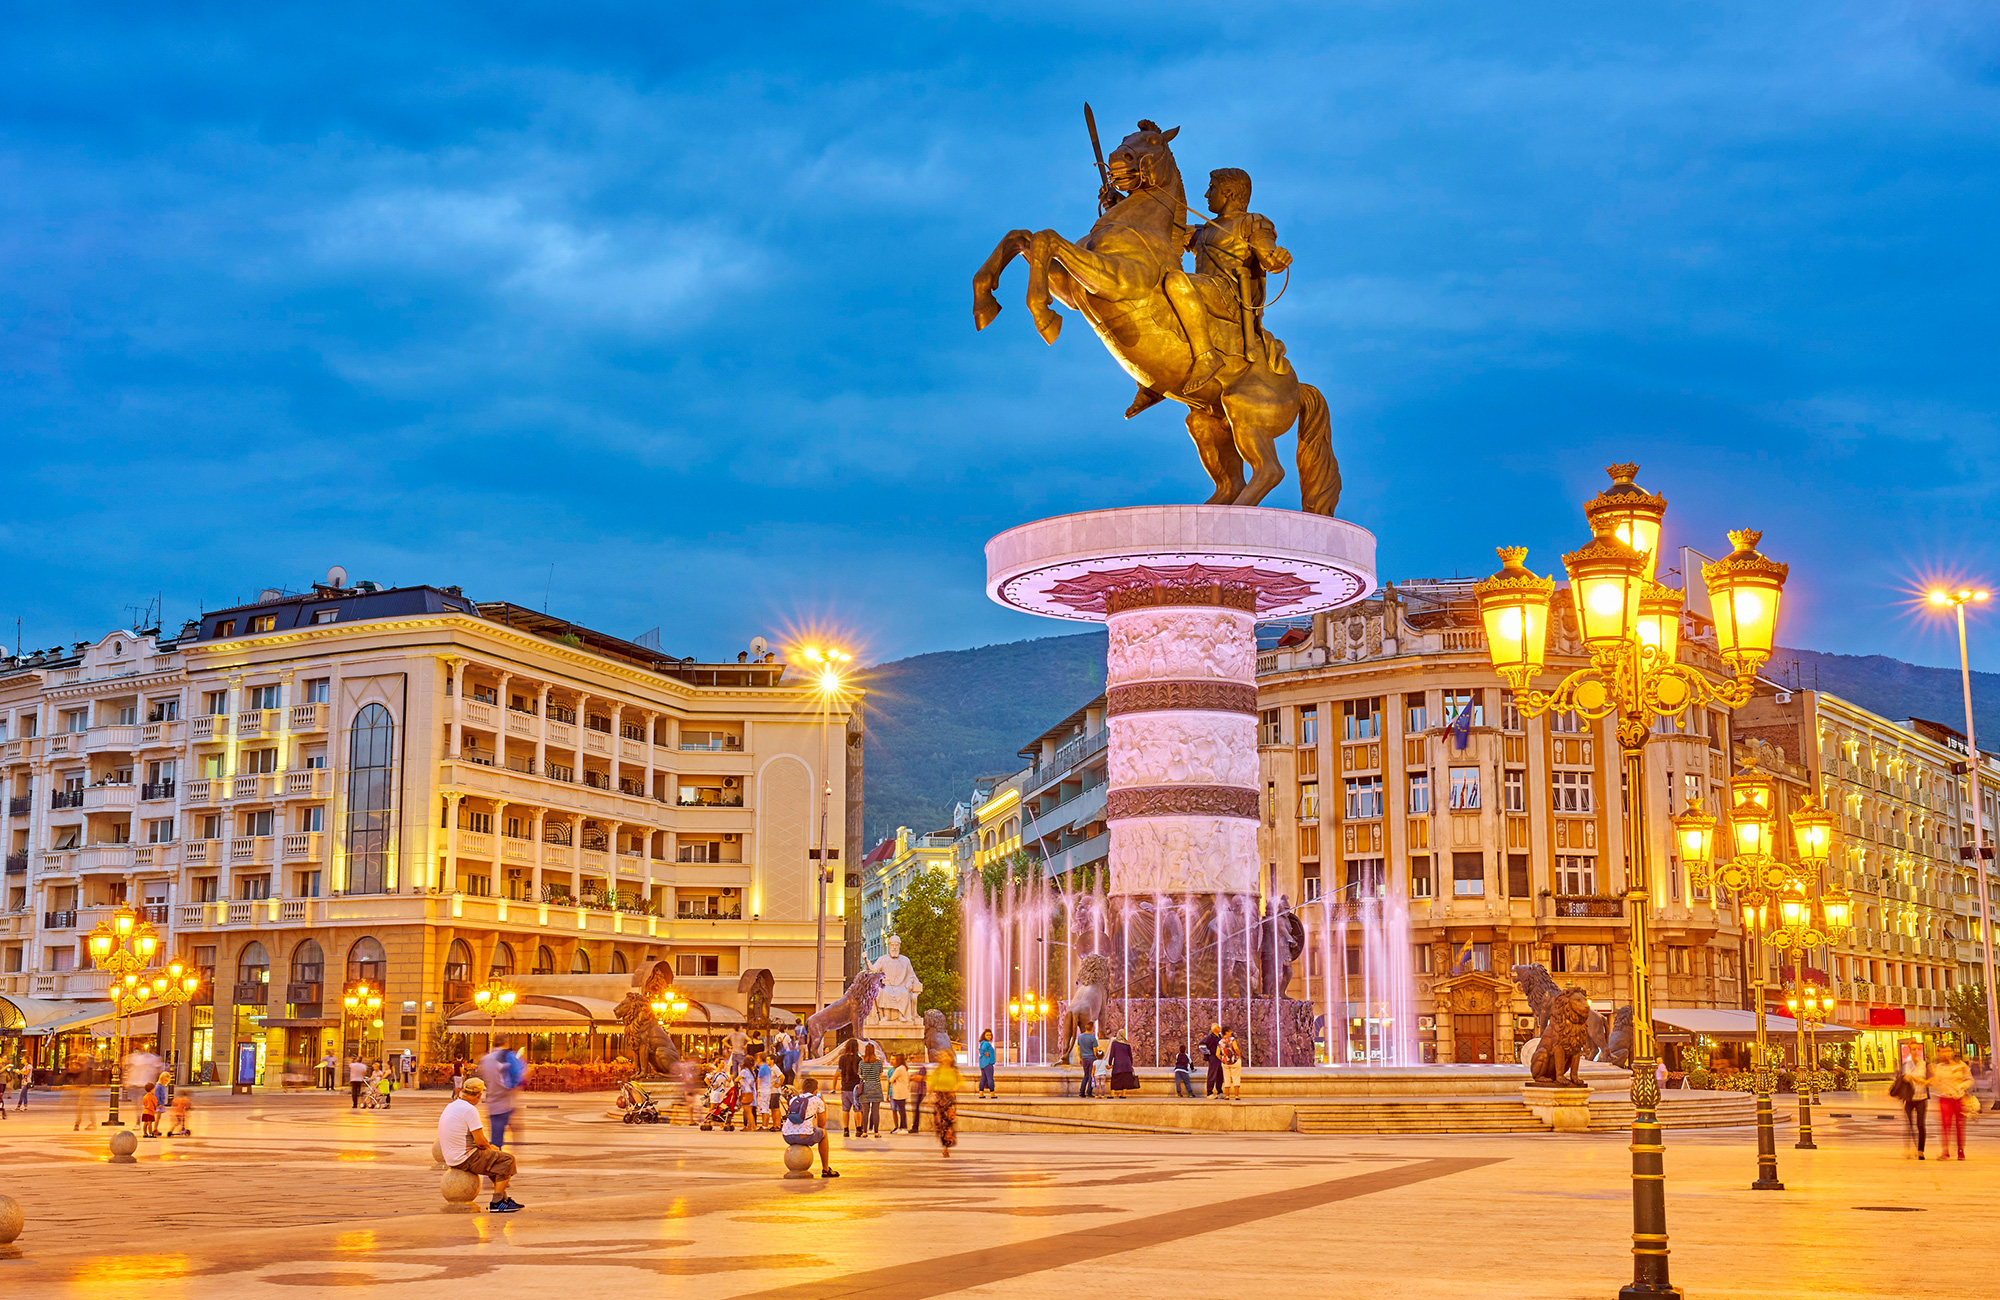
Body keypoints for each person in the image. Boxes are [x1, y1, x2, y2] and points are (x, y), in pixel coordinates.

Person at [440, 1076, 522, 1213]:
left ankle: (503, 1198)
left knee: (495, 1159)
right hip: (465, 1158)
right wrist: (491, 1148)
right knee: (507, 1160)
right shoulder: (469, 1109)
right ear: (478, 1095)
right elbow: (481, 1142)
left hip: (451, 1157)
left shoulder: (452, 1105)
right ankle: (498, 1202)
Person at [780, 1074, 838, 1178]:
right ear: (816, 1091)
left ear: (802, 1089)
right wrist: (823, 1102)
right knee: (824, 1133)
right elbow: (822, 1124)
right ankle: (825, 1168)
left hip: (787, 1135)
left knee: (808, 1129)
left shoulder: (794, 1099)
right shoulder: (817, 1100)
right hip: (804, 1136)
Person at [477, 1038, 526, 1148]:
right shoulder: (508, 1056)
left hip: (492, 1104)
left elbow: (483, 1076)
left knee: (496, 1139)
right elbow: (518, 1076)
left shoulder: (485, 1059)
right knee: (515, 1129)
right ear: (506, 1043)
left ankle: (496, 1156)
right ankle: (511, 1155)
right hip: (507, 1102)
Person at [1933, 1047, 1973, 1160]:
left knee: (1960, 1125)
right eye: (1944, 1051)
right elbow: (1936, 1082)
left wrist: (1962, 1086)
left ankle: (1961, 1150)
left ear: (1953, 1052)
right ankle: (1945, 1151)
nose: (1947, 1054)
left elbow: (1970, 1080)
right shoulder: (1939, 1067)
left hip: (1958, 1098)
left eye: (1949, 1051)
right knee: (1945, 1125)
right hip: (1945, 1098)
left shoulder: (1961, 1066)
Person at [1893, 1055, 1930, 1159]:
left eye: (1915, 1050)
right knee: (1908, 1125)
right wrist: (1904, 1078)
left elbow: (1930, 1080)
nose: (1914, 1053)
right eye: (1912, 1049)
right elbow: (1900, 1077)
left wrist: (1922, 1081)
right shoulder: (1906, 1065)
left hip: (1921, 1098)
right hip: (1909, 1098)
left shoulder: (1924, 1065)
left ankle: (1920, 1150)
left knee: (1920, 1125)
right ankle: (1908, 1149)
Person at [929, 1048, 963, 1157]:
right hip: (940, 1098)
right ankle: (944, 1142)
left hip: (950, 1099)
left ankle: (946, 1147)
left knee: (948, 1123)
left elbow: (960, 1083)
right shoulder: (938, 1070)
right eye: (943, 1055)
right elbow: (932, 1084)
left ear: (951, 1058)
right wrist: (930, 1097)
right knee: (940, 1123)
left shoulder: (954, 1071)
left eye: (947, 1055)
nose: (944, 1057)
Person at [858, 1042, 885, 1137]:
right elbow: (880, 1074)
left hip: (865, 1088)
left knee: (865, 1111)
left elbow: (860, 1075)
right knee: (876, 1111)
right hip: (876, 1087)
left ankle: (865, 1132)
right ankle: (876, 1132)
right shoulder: (878, 1062)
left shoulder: (862, 1063)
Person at [835, 1040, 862, 1136]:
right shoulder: (859, 1060)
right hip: (855, 1087)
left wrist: (834, 1087)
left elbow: (837, 1073)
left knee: (845, 1109)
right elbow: (861, 1075)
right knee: (857, 1108)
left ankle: (846, 1130)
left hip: (844, 1087)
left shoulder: (842, 1059)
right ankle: (858, 1129)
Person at [1106, 1032, 1139, 1097]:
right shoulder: (1127, 1044)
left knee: (1115, 1078)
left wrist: (1109, 1062)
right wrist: (1131, 1064)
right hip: (1127, 1064)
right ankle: (1123, 1094)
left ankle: (1112, 1094)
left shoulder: (1115, 1043)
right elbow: (1130, 1055)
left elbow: (1112, 1054)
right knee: (1125, 1078)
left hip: (1118, 1063)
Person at [1075, 1024, 1099, 1099]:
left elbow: (1078, 1048)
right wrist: (1098, 1058)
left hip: (1084, 1058)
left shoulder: (1080, 1037)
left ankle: (1081, 1092)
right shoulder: (1093, 1038)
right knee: (1091, 1075)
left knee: (1086, 1075)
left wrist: (1080, 1058)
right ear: (1092, 1028)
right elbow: (1095, 1050)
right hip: (1092, 1058)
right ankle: (1089, 1092)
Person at [1219, 1029, 1244, 1101]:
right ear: (1226, 1032)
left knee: (1226, 1078)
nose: (1231, 1032)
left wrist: (1222, 1059)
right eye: (1230, 1031)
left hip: (1225, 1061)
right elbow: (1236, 1048)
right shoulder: (1232, 1039)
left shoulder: (1220, 1041)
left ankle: (1227, 1096)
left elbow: (1218, 1053)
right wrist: (1239, 1056)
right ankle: (1236, 1096)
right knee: (1236, 1077)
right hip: (1234, 1060)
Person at [1201, 1024, 1224, 1098]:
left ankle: (1219, 1091)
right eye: (1218, 1027)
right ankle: (1209, 1092)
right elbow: (1201, 1045)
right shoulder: (1210, 1038)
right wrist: (1208, 1052)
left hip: (1219, 1058)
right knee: (1212, 1074)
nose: (1220, 1028)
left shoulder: (1220, 1037)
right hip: (1213, 1057)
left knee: (1220, 1075)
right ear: (1214, 1029)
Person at [889, 1054, 911, 1132]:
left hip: (899, 1092)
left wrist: (893, 1079)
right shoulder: (903, 1068)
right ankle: (902, 1127)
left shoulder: (899, 1069)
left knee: (901, 1111)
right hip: (902, 1091)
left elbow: (891, 1079)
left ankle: (904, 1127)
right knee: (902, 1110)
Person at [908, 1058, 927, 1135]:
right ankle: (914, 1126)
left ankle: (915, 1127)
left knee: (916, 1109)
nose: (912, 1060)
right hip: (913, 1091)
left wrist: (911, 1077)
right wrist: (913, 1077)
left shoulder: (921, 1067)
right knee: (914, 1109)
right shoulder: (912, 1068)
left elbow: (919, 1078)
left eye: (913, 1058)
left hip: (920, 1091)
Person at [977, 1030, 997, 1097]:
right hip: (988, 1063)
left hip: (983, 1063)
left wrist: (983, 1052)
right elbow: (983, 1049)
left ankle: (981, 1093)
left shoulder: (982, 1043)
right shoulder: (986, 1043)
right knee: (990, 1078)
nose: (989, 1036)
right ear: (984, 1036)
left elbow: (980, 1049)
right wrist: (985, 1052)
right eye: (987, 1035)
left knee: (983, 1079)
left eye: (990, 1035)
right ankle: (992, 1094)